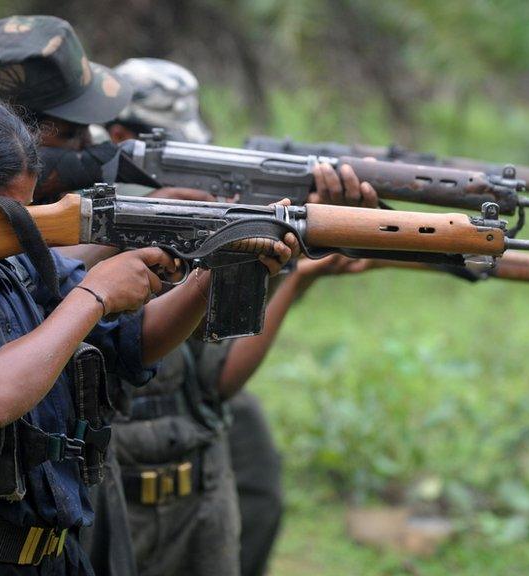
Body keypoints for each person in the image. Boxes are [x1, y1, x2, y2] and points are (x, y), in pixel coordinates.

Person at [0, 92, 296, 575]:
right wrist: (93, 296)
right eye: (12, 216)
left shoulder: (7, 267)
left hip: (55, 557)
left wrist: (214, 270)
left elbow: (135, 341)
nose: (25, 232)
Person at [103, 57, 377, 576]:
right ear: (118, 136)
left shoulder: (178, 228)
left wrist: (287, 267)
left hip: (193, 489)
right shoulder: (83, 238)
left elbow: (215, 372)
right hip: (112, 497)